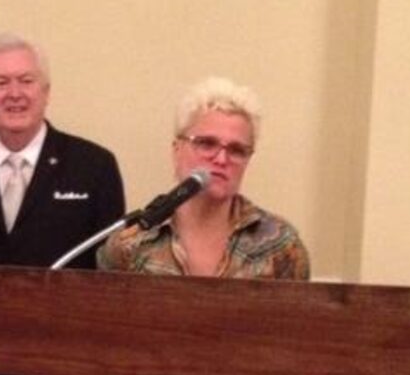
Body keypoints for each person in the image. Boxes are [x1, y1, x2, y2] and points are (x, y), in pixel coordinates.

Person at [0, 32, 125, 269]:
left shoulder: (95, 167)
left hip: (62, 306)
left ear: (46, 92)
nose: (15, 94)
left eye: (26, 81)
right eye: (1, 82)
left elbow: (111, 271)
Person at [97, 76, 310, 280]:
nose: (221, 158)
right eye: (206, 143)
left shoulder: (280, 244)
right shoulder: (131, 243)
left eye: (237, 150)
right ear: (177, 150)